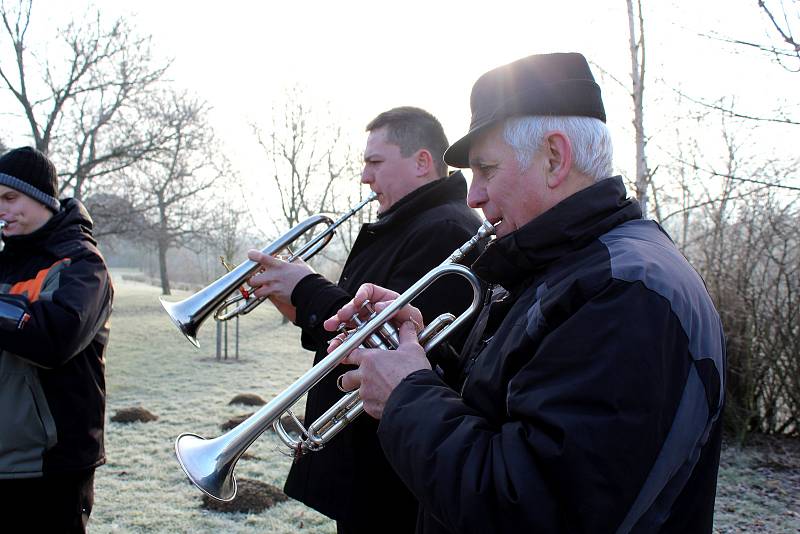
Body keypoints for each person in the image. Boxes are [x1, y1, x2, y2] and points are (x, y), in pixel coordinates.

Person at [329, 53, 727, 533]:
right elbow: (509, 411)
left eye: (487, 169)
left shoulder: (624, 293)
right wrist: (421, 355)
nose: (472, 196)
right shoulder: (572, 266)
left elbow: (529, 507)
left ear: (554, 158)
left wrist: (405, 396)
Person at [247, 107, 483, 533]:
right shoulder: (404, 226)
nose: (364, 177)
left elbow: (396, 346)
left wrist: (306, 288)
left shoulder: (446, 230)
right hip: (369, 465)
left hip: (390, 479)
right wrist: (291, 299)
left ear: (422, 162)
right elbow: (343, 333)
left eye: (375, 162)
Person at [0, 147, 113, 533]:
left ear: (42, 198)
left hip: (52, 464)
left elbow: (56, 337)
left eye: (10, 198)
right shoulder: (6, 261)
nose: (1, 210)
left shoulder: (83, 263)